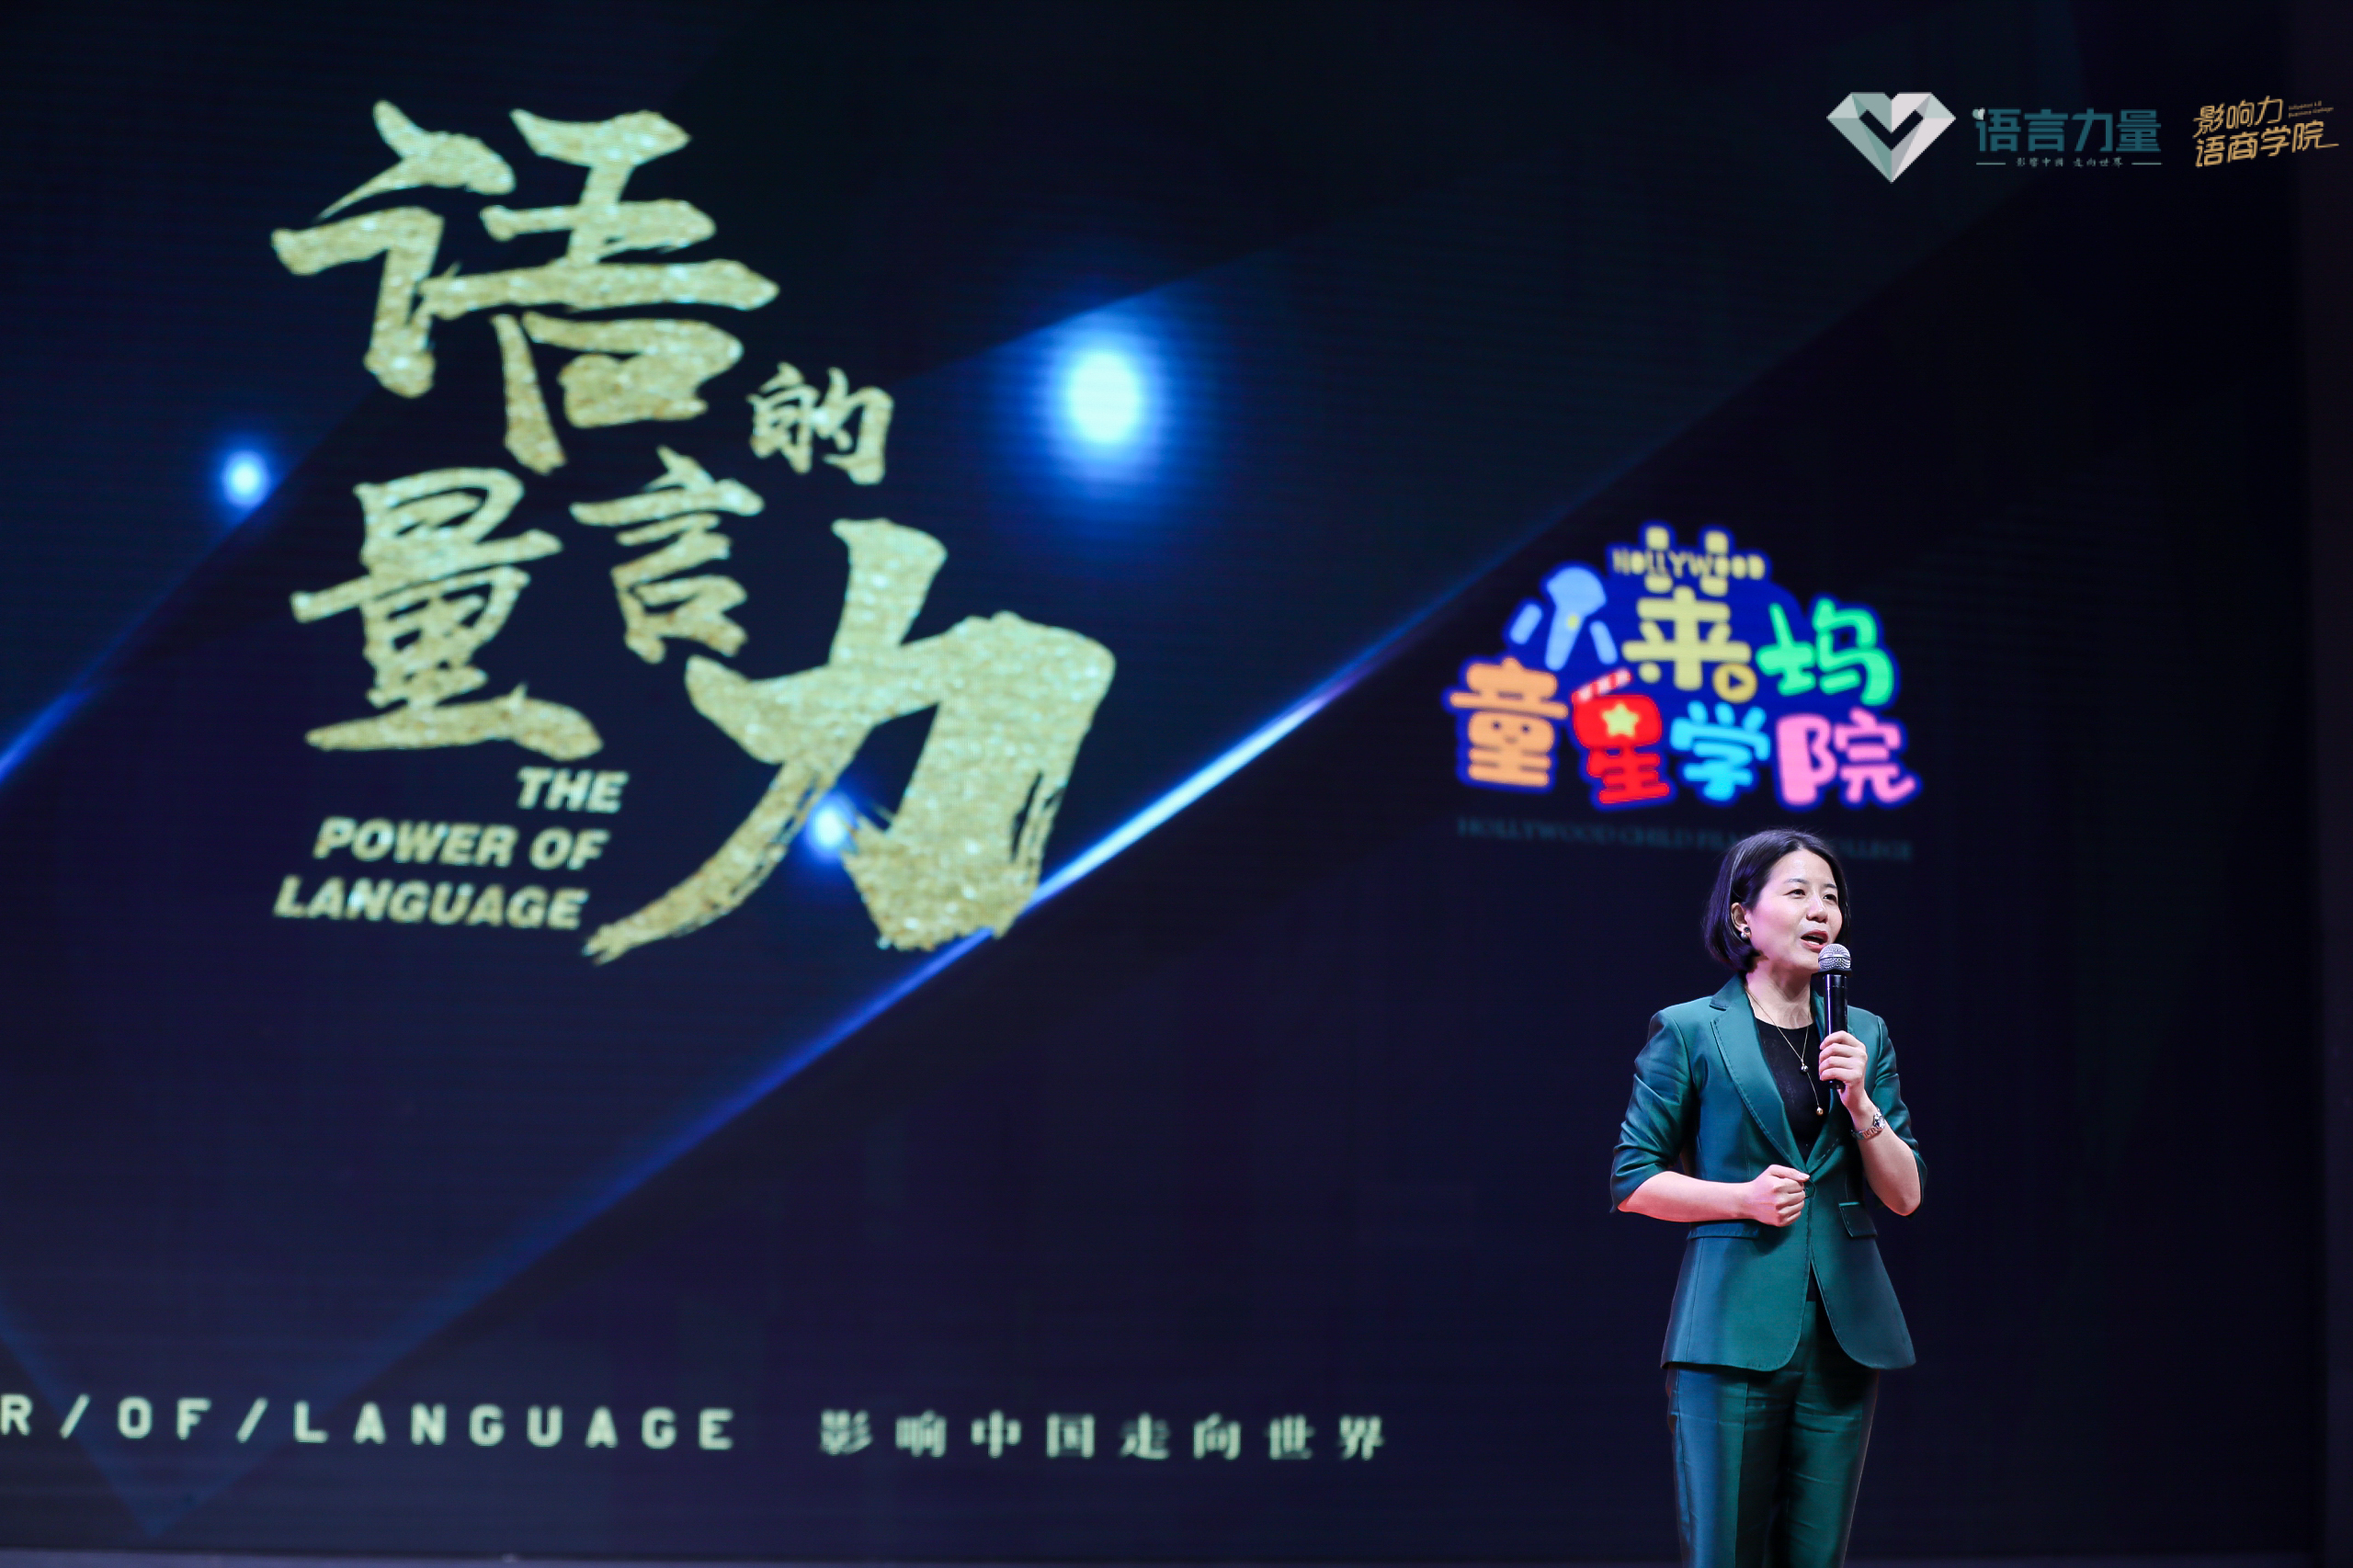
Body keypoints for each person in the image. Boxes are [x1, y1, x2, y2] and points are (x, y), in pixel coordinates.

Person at [1610, 828, 1924, 1568]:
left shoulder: (1864, 1034)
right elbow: (1633, 1179)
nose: (1821, 910)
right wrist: (1740, 1199)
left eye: (1831, 897)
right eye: (1798, 892)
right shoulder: (1690, 1029)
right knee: (1725, 1551)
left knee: (1816, 1556)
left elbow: (1905, 1194)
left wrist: (1861, 1104)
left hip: (1844, 1331)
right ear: (1743, 916)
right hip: (1730, 1331)